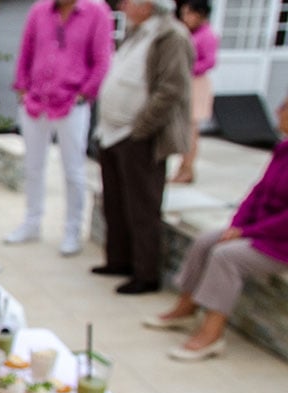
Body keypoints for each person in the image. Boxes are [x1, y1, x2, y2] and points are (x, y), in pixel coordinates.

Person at [144, 96, 288, 360]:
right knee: (206, 241)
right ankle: (185, 309)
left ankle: (212, 333)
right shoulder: (283, 149)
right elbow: (257, 191)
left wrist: (246, 233)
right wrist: (236, 225)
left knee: (226, 257)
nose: (277, 111)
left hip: (279, 242)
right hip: (257, 230)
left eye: (284, 107)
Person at [93, 0, 194, 294]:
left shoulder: (172, 35)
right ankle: (119, 260)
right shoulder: (137, 32)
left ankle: (146, 273)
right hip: (112, 131)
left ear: (149, 5)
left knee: (142, 206)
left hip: (138, 135)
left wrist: (142, 128)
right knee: (114, 202)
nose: (123, 4)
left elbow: (172, 88)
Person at [4, 0, 114, 256]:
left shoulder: (97, 12)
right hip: (35, 101)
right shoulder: (39, 10)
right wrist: (22, 88)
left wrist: (83, 94)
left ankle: (71, 230)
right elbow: (26, 50)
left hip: (71, 103)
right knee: (33, 166)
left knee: (73, 170)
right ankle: (32, 222)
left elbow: (102, 60)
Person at [171, 0, 219, 184]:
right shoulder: (190, 32)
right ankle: (183, 168)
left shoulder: (207, 35)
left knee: (191, 130)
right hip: (187, 81)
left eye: (188, 14)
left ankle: (187, 169)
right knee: (184, 128)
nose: (185, 18)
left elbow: (210, 61)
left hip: (196, 84)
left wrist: (187, 68)